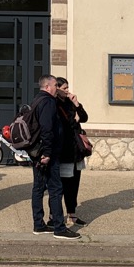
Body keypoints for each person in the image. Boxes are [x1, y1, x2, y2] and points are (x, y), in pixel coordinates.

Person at [30, 74, 81, 240]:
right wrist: (46, 153)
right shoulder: (47, 102)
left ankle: (39, 224)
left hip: (39, 152)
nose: (56, 89)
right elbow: (47, 129)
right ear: (47, 87)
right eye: (54, 86)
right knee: (55, 189)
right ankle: (59, 227)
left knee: (38, 188)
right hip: (47, 155)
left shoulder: (37, 100)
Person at [56, 76, 90, 227]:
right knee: (63, 185)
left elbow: (84, 117)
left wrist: (77, 104)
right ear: (57, 89)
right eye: (64, 88)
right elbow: (65, 123)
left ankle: (72, 214)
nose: (67, 91)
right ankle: (54, 215)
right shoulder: (55, 103)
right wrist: (73, 119)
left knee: (74, 183)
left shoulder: (70, 103)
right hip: (64, 151)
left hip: (76, 150)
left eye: (67, 87)